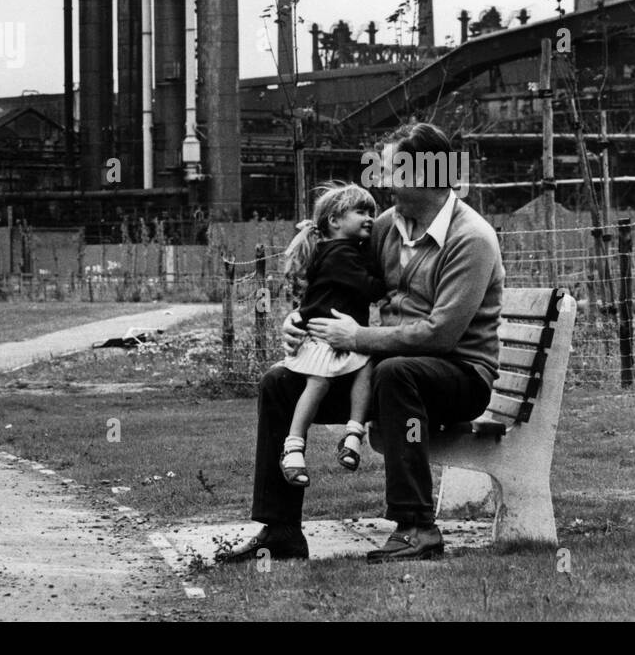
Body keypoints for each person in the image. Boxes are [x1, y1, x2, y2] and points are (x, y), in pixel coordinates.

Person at [216, 122, 503, 565]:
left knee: (396, 371)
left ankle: (417, 527)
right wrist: (300, 319)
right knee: (279, 382)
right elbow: (335, 280)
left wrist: (359, 337)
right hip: (386, 371)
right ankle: (281, 530)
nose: (381, 178)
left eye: (389, 169)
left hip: (459, 374)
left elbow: (442, 334)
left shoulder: (471, 238)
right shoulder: (387, 227)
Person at [277, 182, 390, 487]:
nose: (369, 217)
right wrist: (390, 279)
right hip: (325, 334)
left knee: (361, 367)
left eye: (372, 212)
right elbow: (370, 288)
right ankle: (296, 445)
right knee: (319, 381)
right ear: (335, 221)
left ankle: (350, 434)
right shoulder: (340, 254)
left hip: (338, 333)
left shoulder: (338, 249)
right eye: (361, 211)